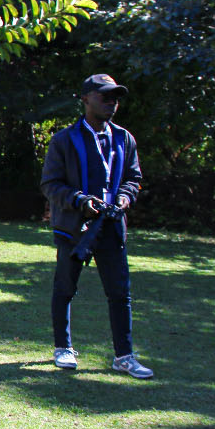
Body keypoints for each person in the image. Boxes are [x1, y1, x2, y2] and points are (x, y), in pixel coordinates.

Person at [41, 73, 153, 379]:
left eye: (115, 97)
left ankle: (124, 356)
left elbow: (133, 178)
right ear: (86, 99)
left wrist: (126, 197)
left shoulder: (124, 138)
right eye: (105, 96)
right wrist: (79, 201)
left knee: (120, 293)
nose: (111, 102)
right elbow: (50, 184)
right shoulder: (65, 139)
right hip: (74, 228)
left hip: (111, 226)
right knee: (65, 287)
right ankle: (63, 348)